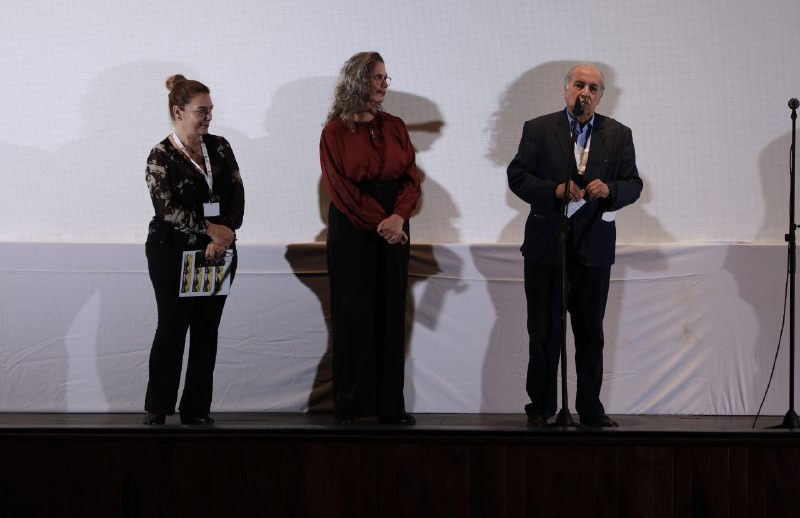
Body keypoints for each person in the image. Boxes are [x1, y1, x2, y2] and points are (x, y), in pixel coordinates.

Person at [507, 64, 642, 427]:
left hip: (594, 246)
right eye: (579, 85)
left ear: (601, 96)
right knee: (544, 331)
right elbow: (517, 176)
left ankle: (590, 408)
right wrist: (553, 190)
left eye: (593, 88)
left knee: (590, 334)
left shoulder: (618, 134)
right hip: (546, 246)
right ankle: (541, 407)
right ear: (566, 89)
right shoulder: (538, 129)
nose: (586, 92)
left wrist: (611, 189)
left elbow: (633, 183)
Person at [319, 52, 421, 425]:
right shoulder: (334, 131)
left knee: (391, 313)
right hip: (353, 228)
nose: (384, 84)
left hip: (395, 226)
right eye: (377, 77)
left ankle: (389, 405)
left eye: (385, 78)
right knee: (353, 314)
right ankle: (351, 405)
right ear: (358, 80)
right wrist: (383, 222)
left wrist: (398, 217)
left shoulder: (395, 125)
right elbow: (340, 188)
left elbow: (410, 179)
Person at [142, 74, 244, 425]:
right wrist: (209, 230)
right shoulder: (160, 155)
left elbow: (237, 193)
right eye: (202, 111)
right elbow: (166, 209)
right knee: (172, 326)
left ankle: (196, 408)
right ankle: (159, 406)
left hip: (218, 250)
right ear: (178, 112)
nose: (209, 117)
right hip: (172, 251)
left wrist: (223, 235)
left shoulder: (220, 147)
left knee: (206, 329)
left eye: (211, 110)